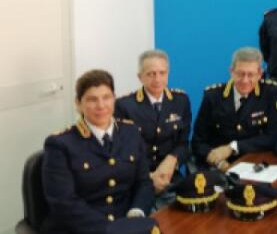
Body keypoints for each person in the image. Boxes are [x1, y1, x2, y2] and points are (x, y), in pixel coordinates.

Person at [42, 69, 154, 233]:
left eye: (106, 97)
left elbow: (143, 182)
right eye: (92, 99)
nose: (101, 105)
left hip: (126, 224)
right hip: (81, 229)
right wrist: (110, 230)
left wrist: (136, 213)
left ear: (114, 99)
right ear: (78, 104)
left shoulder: (131, 132)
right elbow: (63, 202)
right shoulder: (60, 144)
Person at [115, 50, 191, 207]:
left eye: (162, 73)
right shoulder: (124, 106)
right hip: (137, 181)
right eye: (151, 74)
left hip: (171, 177)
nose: (157, 79)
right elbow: (121, 153)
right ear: (140, 77)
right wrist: (149, 178)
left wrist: (172, 161)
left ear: (168, 73)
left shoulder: (180, 101)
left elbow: (183, 143)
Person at [191, 47, 277, 171]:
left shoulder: (270, 93)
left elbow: (273, 137)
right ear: (231, 72)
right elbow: (197, 142)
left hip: (256, 164)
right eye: (240, 74)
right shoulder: (212, 97)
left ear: (260, 74)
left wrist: (233, 148)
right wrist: (219, 163)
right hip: (220, 167)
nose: (245, 80)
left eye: (250, 74)